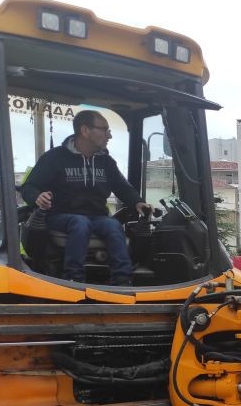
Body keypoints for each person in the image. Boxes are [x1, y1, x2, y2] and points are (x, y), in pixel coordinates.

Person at [22, 110, 149, 285]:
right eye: (104, 129)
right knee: (80, 223)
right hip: (60, 215)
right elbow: (29, 186)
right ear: (85, 130)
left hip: (96, 216)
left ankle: (122, 279)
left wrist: (137, 202)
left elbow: (122, 186)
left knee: (113, 224)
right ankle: (74, 278)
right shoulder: (54, 158)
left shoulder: (106, 161)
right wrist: (37, 196)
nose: (109, 135)